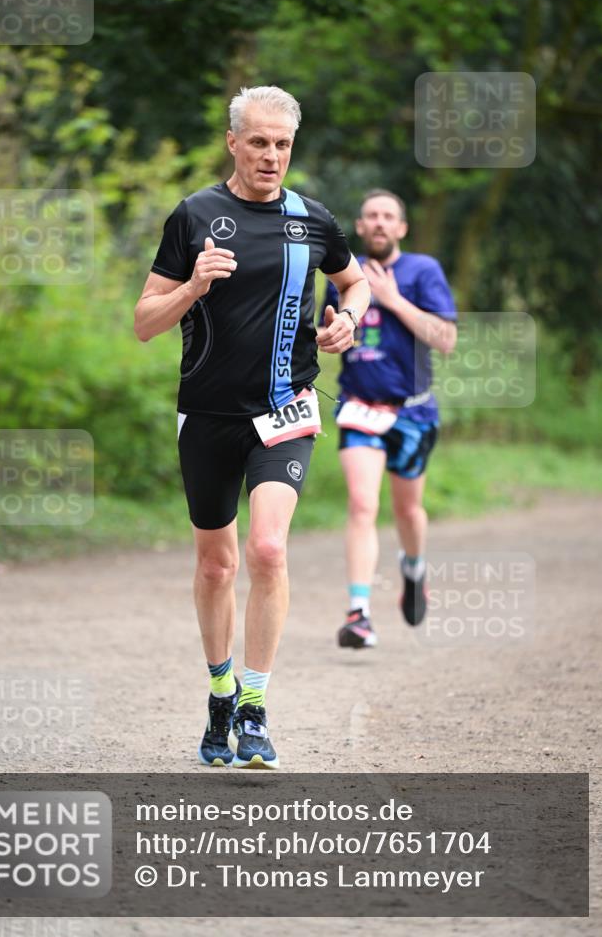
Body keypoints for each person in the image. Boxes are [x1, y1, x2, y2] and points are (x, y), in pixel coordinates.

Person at [135, 86, 369, 768]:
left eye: (283, 145)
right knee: (217, 562)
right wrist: (191, 286)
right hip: (206, 413)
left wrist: (347, 320)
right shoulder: (195, 216)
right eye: (259, 142)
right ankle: (218, 692)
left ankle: (255, 708)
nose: (271, 156)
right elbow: (145, 322)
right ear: (233, 142)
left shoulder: (312, 220)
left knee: (267, 549)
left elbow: (353, 282)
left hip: (285, 409)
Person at [320, 189, 457, 649]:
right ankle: (358, 613)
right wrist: (327, 336)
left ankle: (414, 568)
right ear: (359, 227)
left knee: (407, 510)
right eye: (371, 217)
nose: (379, 223)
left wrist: (394, 300)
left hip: (413, 413)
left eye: (388, 217)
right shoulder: (343, 273)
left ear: (401, 228)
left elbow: (446, 339)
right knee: (362, 505)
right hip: (359, 406)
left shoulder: (423, 271)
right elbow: (330, 333)